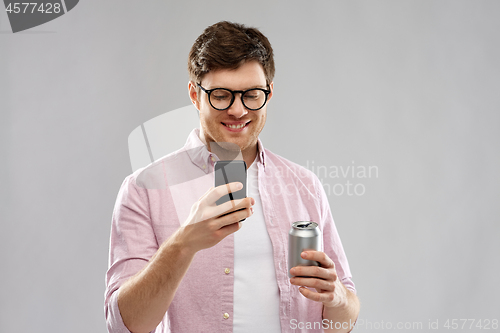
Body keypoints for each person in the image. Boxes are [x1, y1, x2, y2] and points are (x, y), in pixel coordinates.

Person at [105, 21, 360, 333]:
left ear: (268, 94)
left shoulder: (304, 185)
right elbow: (125, 325)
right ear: (195, 95)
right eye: (222, 95)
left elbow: (345, 318)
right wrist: (183, 244)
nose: (238, 111)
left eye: (252, 94)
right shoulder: (143, 189)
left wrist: (336, 299)